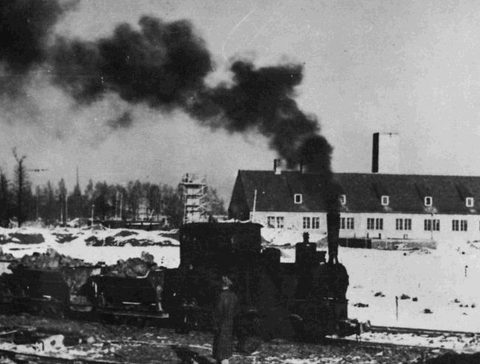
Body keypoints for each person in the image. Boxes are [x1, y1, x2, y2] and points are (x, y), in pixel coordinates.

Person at [212, 276, 238, 364]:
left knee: (220, 349)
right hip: (230, 324)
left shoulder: (221, 296)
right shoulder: (234, 296)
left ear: (222, 284)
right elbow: (236, 310)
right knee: (226, 347)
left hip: (221, 324)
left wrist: (215, 324)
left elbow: (218, 311)